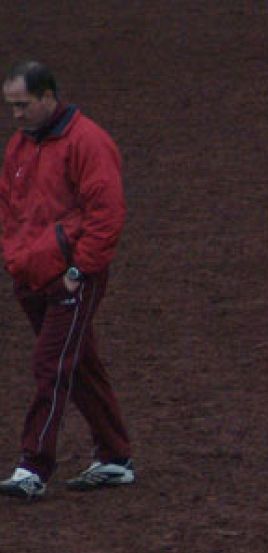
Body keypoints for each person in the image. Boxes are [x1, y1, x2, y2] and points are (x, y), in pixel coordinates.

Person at [0, 61, 133, 499]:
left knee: (51, 363)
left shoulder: (87, 142)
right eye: (11, 107)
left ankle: (33, 467)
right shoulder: (19, 147)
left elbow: (107, 213)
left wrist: (79, 270)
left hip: (71, 276)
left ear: (47, 96)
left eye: (22, 105)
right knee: (79, 365)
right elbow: (8, 208)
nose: (15, 116)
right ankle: (115, 457)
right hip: (33, 276)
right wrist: (16, 260)